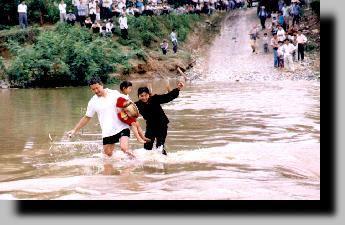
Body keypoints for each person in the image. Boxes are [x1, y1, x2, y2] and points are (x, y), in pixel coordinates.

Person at [67, 76, 135, 159]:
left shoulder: (114, 93)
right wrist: (75, 130)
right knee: (107, 155)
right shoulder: (93, 102)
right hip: (108, 131)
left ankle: (136, 161)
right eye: (93, 89)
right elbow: (87, 117)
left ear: (101, 85)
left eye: (97, 88)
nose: (96, 91)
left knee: (124, 148)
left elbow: (129, 103)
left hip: (121, 126)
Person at [135, 81, 185, 155]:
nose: (144, 98)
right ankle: (148, 162)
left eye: (146, 95)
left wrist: (178, 89)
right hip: (150, 126)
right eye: (141, 96)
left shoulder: (155, 99)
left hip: (162, 124)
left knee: (160, 146)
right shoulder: (137, 105)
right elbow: (129, 111)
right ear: (138, 96)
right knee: (147, 146)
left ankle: (164, 160)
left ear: (149, 95)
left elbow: (167, 97)